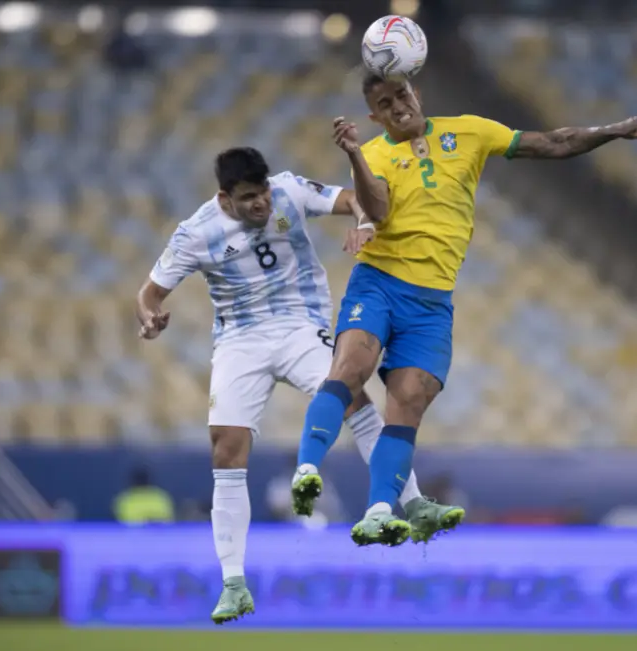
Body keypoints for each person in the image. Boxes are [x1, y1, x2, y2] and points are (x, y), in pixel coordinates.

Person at [293, 72, 637, 547]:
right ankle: (306, 468)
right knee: (350, 368)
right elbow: (378, 211)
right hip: (380, 283)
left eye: (401, 95)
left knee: (409, 401)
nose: (397, 106)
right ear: (374, 116)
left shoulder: (469, 131)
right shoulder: (375, 154)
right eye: (384, 104)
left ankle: (380, 511)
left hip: (432, 302)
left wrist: (614, 130)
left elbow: (553, 142)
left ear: (416, 93)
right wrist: (353, 154)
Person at [135, 147, 460, 624]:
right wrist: (149, 316)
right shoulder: (195, 233)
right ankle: (233, 584)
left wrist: (364, 221)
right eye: (248, 197)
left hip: (299, 325)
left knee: (354, 398)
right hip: (240, 340)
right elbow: (150, 293)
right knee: (226, 447)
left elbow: (354, 198)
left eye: (263, 192)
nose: (261, 203)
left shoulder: (289, 190)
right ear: (225, 198)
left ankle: (412, 505)